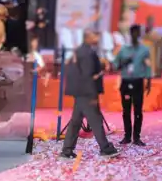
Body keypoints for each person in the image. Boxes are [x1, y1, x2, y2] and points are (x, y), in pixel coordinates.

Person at [60, 30, 119, 159]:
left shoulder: (81, 51)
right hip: (87, 92)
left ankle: (67, 150)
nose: (97, 37)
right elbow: (88, 76)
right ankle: (105, 148)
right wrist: (93, 94)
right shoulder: (87, 53)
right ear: (88, 37)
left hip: (80, 92)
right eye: (95, 35)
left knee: (76, 121)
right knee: (96, 120)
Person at [114, 24, 152, 146]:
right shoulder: (123, 50)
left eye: (137, 33)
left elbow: (148, 66)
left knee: (138, 111)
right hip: (126, 82)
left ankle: (136, 137)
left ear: (139, 34)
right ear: (130, 34)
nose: (135, 35)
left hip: (138, 83)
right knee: (126, 110)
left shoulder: (144, 50)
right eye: (133, 33)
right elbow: (115, 65)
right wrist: (122, 62)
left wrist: (149, 82)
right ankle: (127, 136)